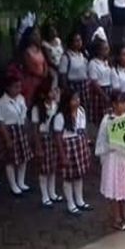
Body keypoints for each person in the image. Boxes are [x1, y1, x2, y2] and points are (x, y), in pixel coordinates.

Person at [95, 91, 125, 231]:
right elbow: (102, 140)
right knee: (115, 188)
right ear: (114, 104)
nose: (124, 105)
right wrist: (111, 145)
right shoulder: (108, 120)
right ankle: (116, 218)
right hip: (113, 158)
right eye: (121, 102)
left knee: (124, 187)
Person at [51, 88, 93, 216]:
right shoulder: (60, 116)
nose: (77, 101)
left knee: (79, 175)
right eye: (74, 99)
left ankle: (80, 200)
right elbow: (58, 136)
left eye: (78, 98)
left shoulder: (81, 111)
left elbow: (83, 130)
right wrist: (62, 155)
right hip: (68, 145)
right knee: (69, 176)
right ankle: (70, 203)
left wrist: (86, 145)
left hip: (79, 144)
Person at [0, 77, 34, 196]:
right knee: (11, 160)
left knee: (24, 157)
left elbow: (24, 114)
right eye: (15, 87)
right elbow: (1, 121)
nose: (18, 89)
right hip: (10, 130)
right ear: (8, 87)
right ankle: (13, 185)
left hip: (20, 129)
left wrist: (27, 128)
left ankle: (21, 182)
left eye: (19, 86)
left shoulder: (21, 98)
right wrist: (7, 138)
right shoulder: (2, 102)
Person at [30, 86, 62, 207]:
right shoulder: (37, 108)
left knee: (52, 167)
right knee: (43, 169)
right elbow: (35, 128)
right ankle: (45, 195)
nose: (54, 92)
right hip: (43, 138)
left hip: (53, 137)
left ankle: (52, 192)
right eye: (51, 90)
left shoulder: (55, 105)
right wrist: (38, 146)